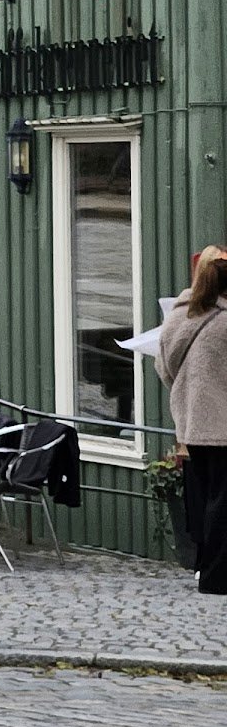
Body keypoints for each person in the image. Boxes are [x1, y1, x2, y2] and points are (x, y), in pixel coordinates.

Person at [157, 244, 227, 595]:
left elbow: (163, 367)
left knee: (205, 498)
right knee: (222, 502)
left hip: (192, 425)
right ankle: (216, 577)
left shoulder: (179, 316)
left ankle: (204, 568)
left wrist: (185, 394)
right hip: (222, 427)